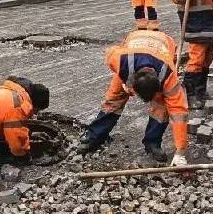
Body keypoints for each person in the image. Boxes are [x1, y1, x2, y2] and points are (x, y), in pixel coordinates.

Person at [75, 29, 189, 164]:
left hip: (164, 43)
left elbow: (178, 113)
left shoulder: (169, 77)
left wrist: (181, 151)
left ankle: (152, 143)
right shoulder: (120, 59)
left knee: (161, 107)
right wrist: (125, 82)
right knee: (113, 100)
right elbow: (109, 52)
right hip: (135, 40)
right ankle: (94, 137)